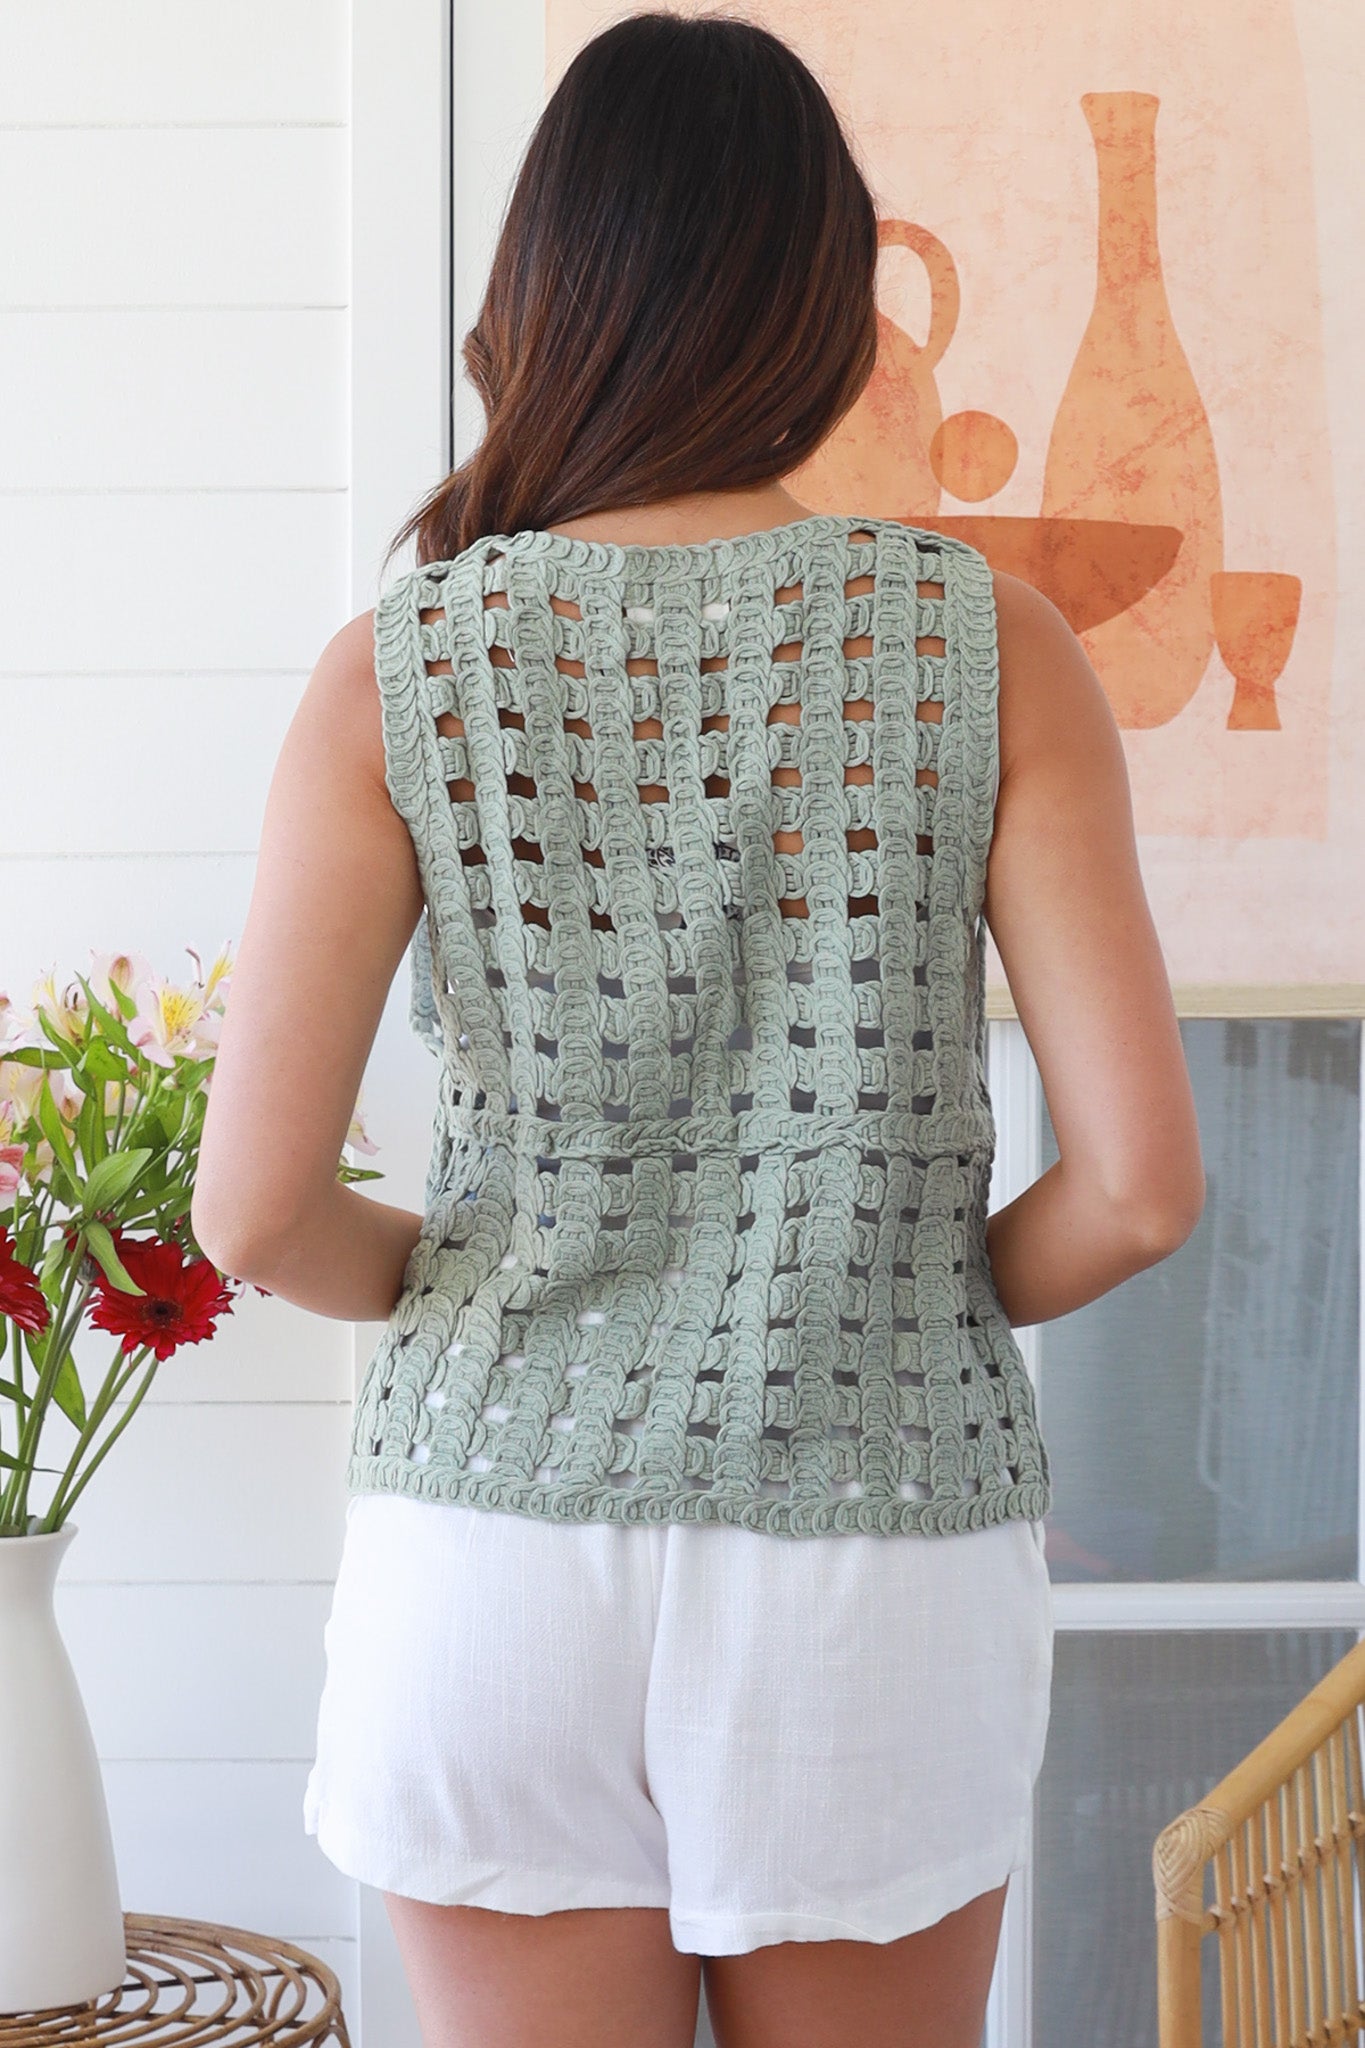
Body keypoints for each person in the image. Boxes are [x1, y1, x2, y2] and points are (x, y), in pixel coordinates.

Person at [192, 10, 1205, 2046]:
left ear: (541, 295)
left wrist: (497, 1299)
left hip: (488, 1543)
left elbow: (252, 1212)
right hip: (869, 1548)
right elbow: (1138, 1189)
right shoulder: (979, 641)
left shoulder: (398, 666)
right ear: (823, 311)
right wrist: (896, 1297)